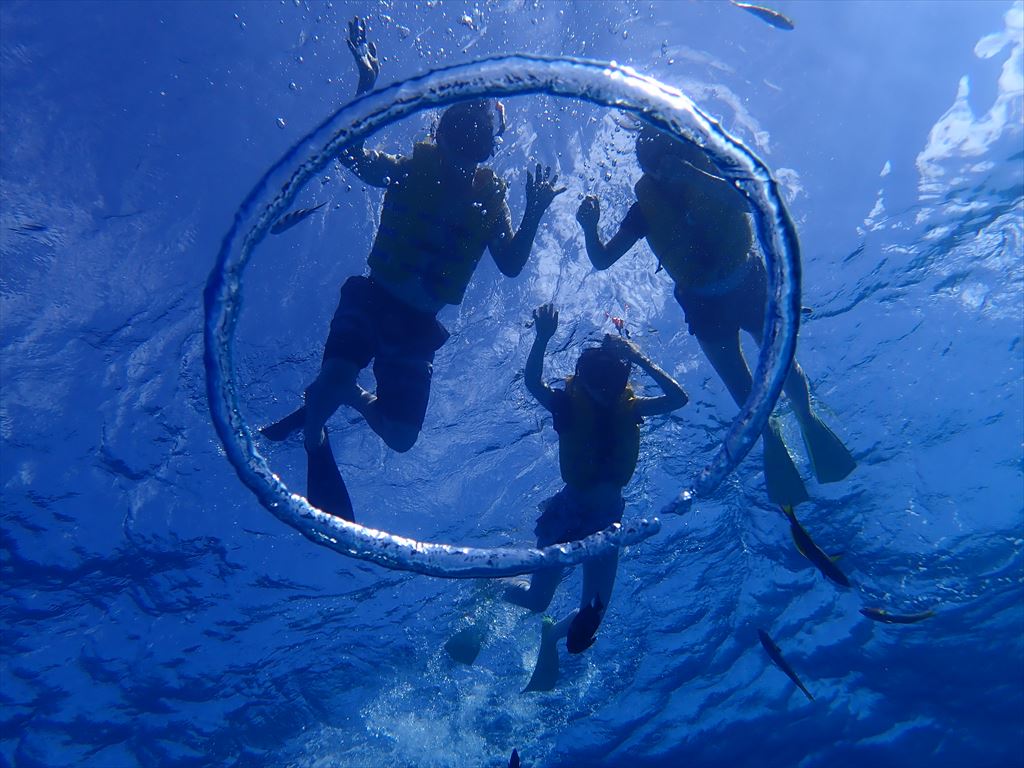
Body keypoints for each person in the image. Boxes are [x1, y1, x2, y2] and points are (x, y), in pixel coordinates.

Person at [262, 18, 564, 519]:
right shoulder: (406, 169)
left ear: (489, 150)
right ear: (439, 131)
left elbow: (510, 264)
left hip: (419, 327)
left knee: (401, 438)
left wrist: (534, 212)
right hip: (372, 299)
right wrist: (365, 86)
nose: (463, 148)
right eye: (456, 133)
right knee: (334, 380)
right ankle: (315, 434)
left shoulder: (490, 202)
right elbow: (350, 154)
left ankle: (343, 395)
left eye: (476, 140)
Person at [574, 125, 855, 506]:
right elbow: (603, 259)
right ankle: (770, 436)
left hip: (748, 280)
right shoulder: (644, 211)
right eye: (651, 163)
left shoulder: (713, 173)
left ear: (684, 151)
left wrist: (692, 175)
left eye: (667, 156)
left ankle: (806, 418)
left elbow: (756, 200)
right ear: (645, 169)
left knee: (781, 361)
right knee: (741, 385)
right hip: (704, 304)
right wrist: (590, 228)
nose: (662, 168)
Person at [507, 303, 688, 691]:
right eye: (595, 379)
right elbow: (534, 384)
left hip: (608, 520)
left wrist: (640, 357)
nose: (604, 389)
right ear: (581, 378)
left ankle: (552, 637)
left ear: (624, 379)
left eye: (613, 379)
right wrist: (541, 338)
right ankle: (492, 587)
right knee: (537, 600)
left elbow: (678, 399)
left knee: (594, 612)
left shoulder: (631, 407)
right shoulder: (568, 406)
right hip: (568, 512)